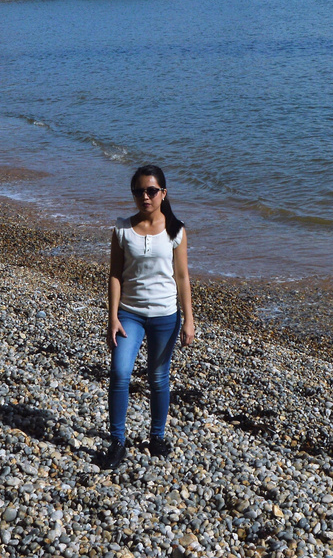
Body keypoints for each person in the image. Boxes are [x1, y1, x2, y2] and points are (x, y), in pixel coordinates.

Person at [101, 164, 196, 469]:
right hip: (130, 315)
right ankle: (117, 441)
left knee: (158, 378)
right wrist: (112, 317)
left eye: (152, 191)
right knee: (119, 373)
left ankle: (157, 436)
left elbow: (182, 277)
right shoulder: (122, 229)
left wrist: (189, 319)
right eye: (139, 191)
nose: (145, 196)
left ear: (163, 193)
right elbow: (115, 275)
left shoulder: (176, 230)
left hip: (166, 317)